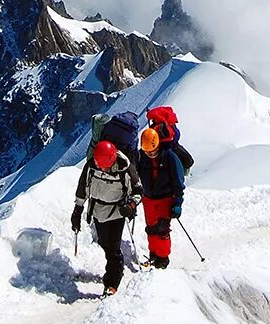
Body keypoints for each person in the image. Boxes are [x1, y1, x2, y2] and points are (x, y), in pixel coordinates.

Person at [72, 139, 141, 296]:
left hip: (118, 212)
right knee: (104, 243)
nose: (100, 167)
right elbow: (82, 189)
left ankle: (112, 282)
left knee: (113, 248)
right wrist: (77, 210)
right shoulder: (91, 166)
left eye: (103, 165)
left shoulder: (125, 168)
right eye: (98, 164)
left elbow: (138, 191)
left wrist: (130, 206)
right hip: (98, 211)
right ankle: (116, 266)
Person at [134, 126, 186, 269]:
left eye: (153, 151)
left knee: (162, 229)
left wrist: (177, 203)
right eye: (147, 152)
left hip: (165, 199)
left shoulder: (169, 157)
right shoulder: (141, 157)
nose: (151, 154)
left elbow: (178, 182)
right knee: (151, 228)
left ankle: (162, 259)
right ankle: (153, 255)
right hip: (148, 199)